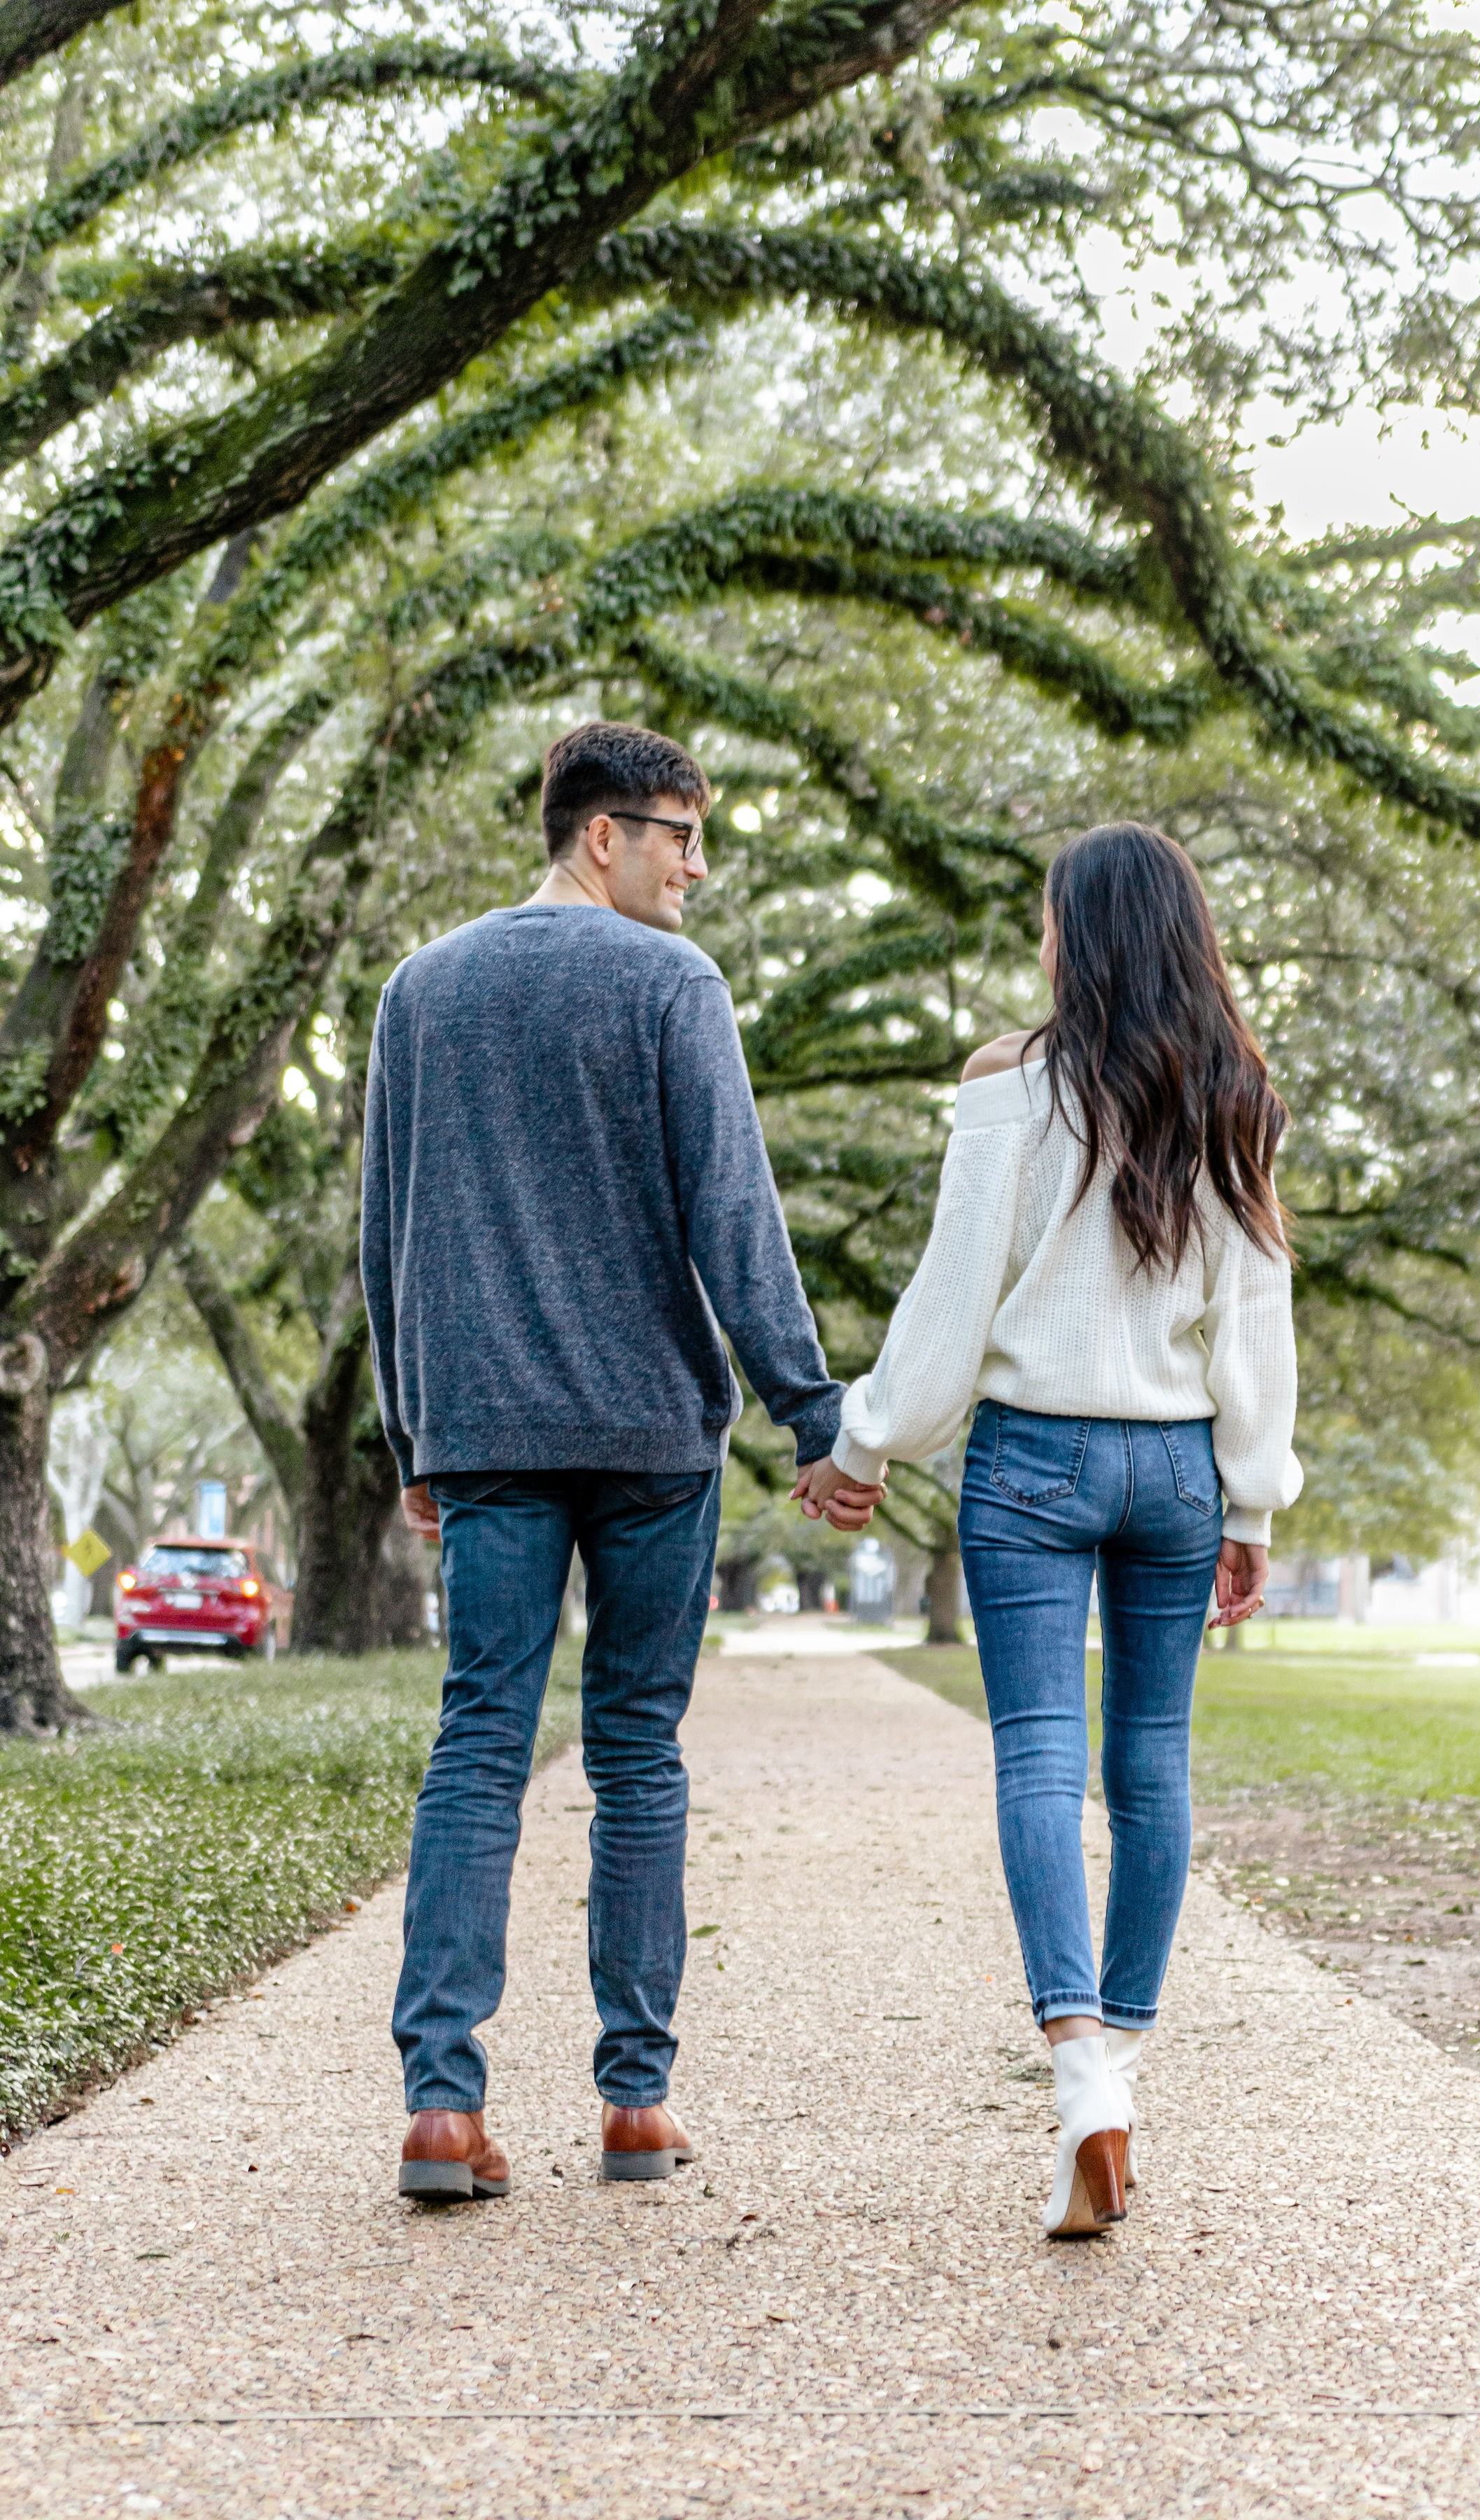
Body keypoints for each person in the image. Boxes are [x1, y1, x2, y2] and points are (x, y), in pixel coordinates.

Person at [363, 719, 882, 2204]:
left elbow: (384, 1233)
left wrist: (420, 1432)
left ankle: (442, 2109)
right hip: (656, 1434)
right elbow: (737, 1218)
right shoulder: (671, 986)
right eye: (684, 836)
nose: (698, 868)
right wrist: (812, 1412)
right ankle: (637, 2103)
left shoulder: (423, 991)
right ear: (606, 834)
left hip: (491, 1434)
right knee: (637, 1755)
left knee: (479, 1746)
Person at [796, 822, 1299, 2237]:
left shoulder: (1011, 1085)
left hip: (1031, 1460)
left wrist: (863, 1441)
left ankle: (1082, 2065)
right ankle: (1120, 2063)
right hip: (1181, 1463)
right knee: (1152, 1765)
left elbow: (953, 1300)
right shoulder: (1236, 1092)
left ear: (1075, 933)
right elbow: (1257, 1318)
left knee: (1038, 1753)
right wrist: (1253, 1498)